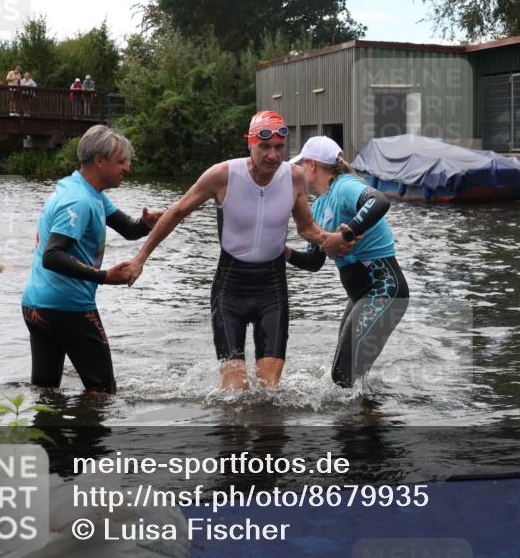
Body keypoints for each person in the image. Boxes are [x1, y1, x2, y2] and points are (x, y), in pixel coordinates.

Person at [125, 111, 351, 390]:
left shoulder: (294, 178)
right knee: (235, 391)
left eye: (279, 148)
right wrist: (140, 259)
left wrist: (332, 239)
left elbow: (307, 229)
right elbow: (176, 212)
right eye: (264, 146)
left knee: (270, 391)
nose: (273, 155)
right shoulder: (223, 175)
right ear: (249, 143)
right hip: (230, 287)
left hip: (272, 287)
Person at [21, 125, 163, 394]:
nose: (127, 168)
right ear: (100, 160)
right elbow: (53, 256)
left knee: (45, 391)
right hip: (68, 307)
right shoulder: (79, 201)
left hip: (36, 305)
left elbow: (129, 229)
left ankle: (50, 433)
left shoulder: (88, 192)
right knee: (103, 391)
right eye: (121, 161)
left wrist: (145, 224)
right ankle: (90, 436)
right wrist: (105, 276)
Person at [285, 136, 410, 387]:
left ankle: (363, 423)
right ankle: (368, 419)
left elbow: (378, 201)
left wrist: (345, 233)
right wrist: (283, 252)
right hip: (359, 297)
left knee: (343, 377)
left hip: (384, 291)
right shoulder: (319, 206)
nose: (296, 172)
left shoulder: (344, 185)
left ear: (311, 164)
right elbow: (314, 261)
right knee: (345, 377)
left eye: (299, 165)